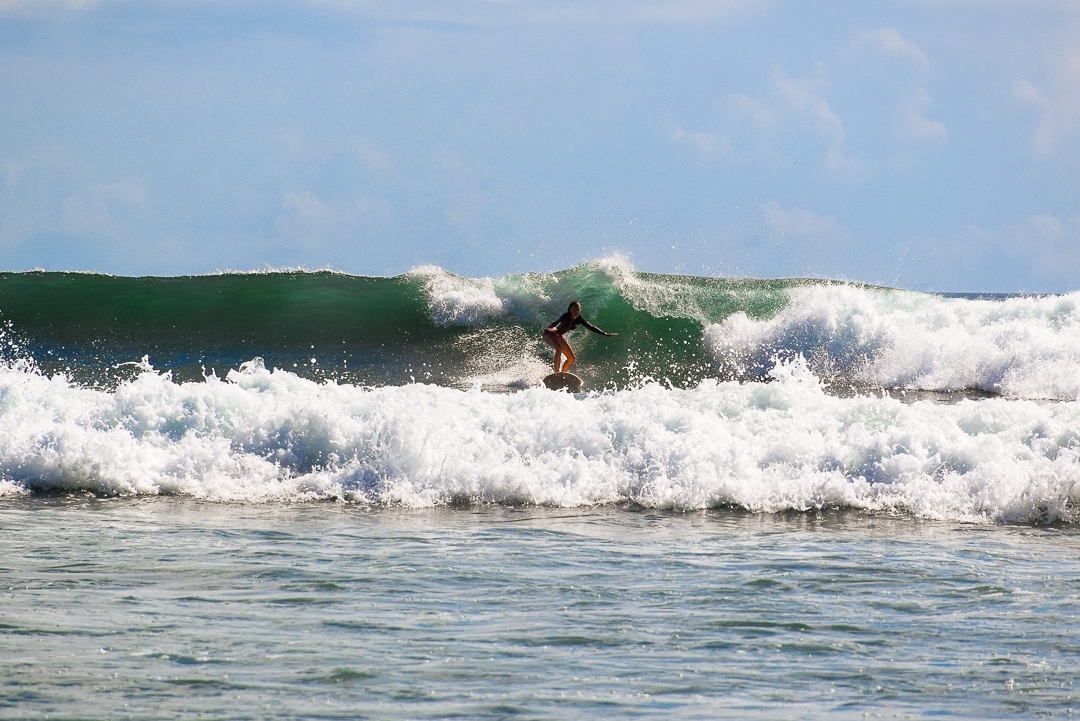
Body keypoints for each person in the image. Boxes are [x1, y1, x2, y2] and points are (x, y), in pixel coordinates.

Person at [542, 301, 617, 373]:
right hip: (549, 333)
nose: (576, 311)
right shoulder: (565, 316)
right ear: (570, 309)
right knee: (559, 348)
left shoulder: (579, 319)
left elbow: (590, 327)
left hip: (558, 336)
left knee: (571, 358)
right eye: (574, 309)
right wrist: (554, 328)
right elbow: (559, 323)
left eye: (578, 309)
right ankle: (556, 373)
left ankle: (563, 374)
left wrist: (604, 334)